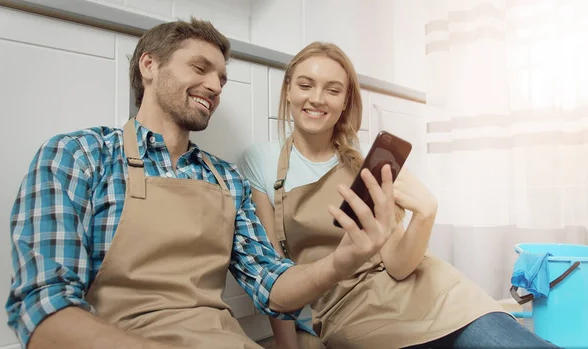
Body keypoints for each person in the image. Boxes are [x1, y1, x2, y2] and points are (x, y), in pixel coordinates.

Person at [5, 20, 400, 349]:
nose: (214, 85)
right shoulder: (79, 155)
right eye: (200, 68)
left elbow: (271, 284)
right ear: (149, 65)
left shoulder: (227, 179)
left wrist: (341, 261)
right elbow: (45, 307)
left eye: (221, 79)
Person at [238, 41, 559, 349]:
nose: (318, 98)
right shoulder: (261, 161)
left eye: (333, 90)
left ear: (346, 100)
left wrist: (425, 215)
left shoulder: (368, 160)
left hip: (437, 293)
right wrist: (286, 344)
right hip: (350, 311)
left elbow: (398, 265)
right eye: (306, 85)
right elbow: (272, 271)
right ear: (288, 89)